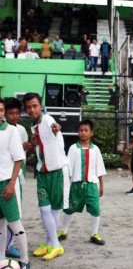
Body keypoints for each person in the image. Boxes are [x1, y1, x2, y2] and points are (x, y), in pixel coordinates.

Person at [23, 93, 67, 261]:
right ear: (25, 109)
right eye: (28, 107)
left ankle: (54, 244)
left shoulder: (47, 118)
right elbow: (38, 146)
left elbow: (54, 125)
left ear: (40, 106)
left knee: (54, 209)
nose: (32, 109)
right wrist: (32, 143)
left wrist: (56, 127)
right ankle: (52, 243)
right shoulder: (33, 127)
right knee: (44, 208)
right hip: (42, 173)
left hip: (57, 171)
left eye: (35, 106)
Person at [57, 120, 106, 245]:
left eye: (86, 130)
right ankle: (63, 231)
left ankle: (94, 233)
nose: (83, 133)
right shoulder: (73, 149)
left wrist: (101, 185)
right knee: (69, 209)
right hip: (76, 186)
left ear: (91, 133)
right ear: (78, 132)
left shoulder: (95, 149)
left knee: (95, 209)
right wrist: (66, 185)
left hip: (92, 186)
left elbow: (99, 168)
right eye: (81, 130)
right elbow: (69, 169)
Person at [0, 98, 30, 269]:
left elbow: (19, 159)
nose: (0, 113)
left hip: (6, 183)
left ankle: (25, 260)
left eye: (2, 110)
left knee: (14, 222)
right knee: (1, 223)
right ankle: (1, 257)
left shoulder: (11, 131)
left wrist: (11, 184)